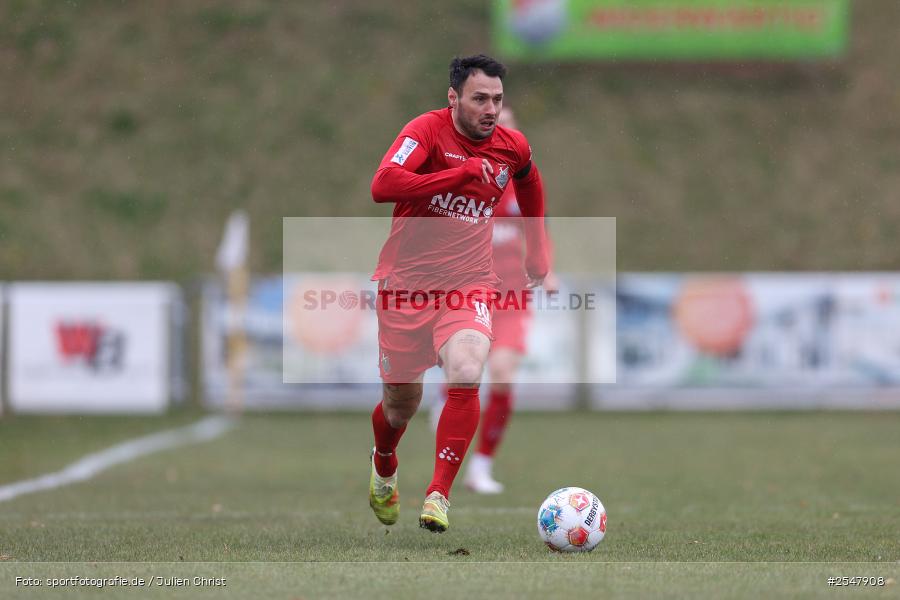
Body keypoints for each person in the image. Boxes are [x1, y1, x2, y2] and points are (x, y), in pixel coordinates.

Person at [367, 54, 549, 533]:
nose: (490, 109)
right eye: (480, 99)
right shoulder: (425, 131)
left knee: (468, 369)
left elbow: (531, 181)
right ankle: (384, 462)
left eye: (498, 99)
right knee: (399, 405)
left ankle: (439, 494)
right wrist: (457, 176)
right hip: (406, 286)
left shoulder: (512, 146)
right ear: (453, 99)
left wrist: (538, 250)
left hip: (469, 283)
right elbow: (383, 184)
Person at [452, 107, 558, 495]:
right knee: (465, 369)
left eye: (510, 127)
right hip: (468, 292)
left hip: (513, 297)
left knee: (502, 373)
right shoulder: (465, 179)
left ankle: (480, 467)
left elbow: (541, 234)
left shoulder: (526, 184)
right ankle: (445, 394)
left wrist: (548, 271)